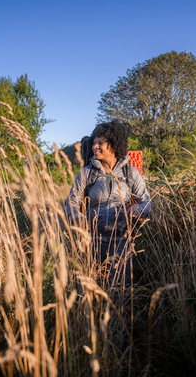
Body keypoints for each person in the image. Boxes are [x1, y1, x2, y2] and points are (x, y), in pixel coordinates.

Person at [64, 120, 151, 292]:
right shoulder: (87, 173)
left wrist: (139, 209)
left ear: (114, 145)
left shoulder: (130, 173)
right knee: (89, 290)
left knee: (118, 290)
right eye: (94, 142)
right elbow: (71, 201)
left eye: (100, 143)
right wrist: (77, 217)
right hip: (91, 242)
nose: (94, 146)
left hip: (121, 242)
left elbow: (146, 201)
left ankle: (119, 319)